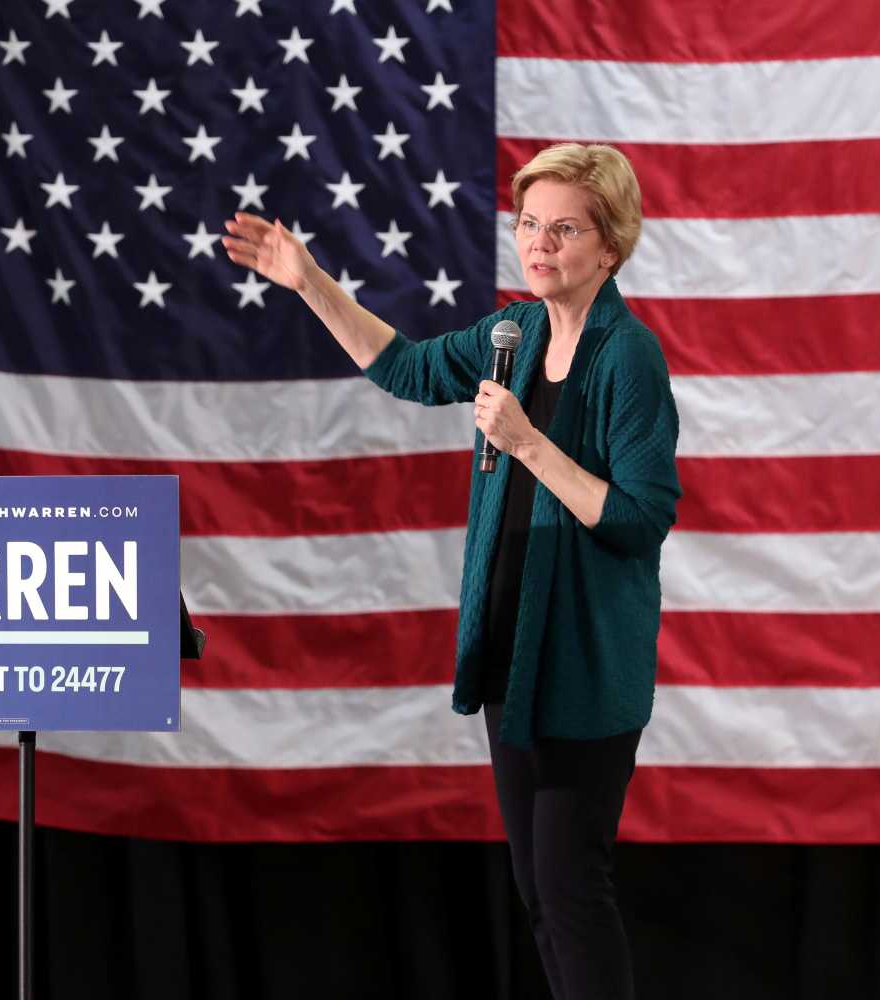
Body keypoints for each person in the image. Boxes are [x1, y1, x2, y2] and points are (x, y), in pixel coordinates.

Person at [223, 142, 681, 1000]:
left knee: (574, 891)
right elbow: (405, 367)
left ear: (611, 245)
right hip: (513, 655)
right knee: (541, 899)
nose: (539, 244)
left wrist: (525, 443)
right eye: (529, 225)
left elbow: (639, 519)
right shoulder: (515, 333)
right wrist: (309, 280)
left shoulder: (628, 357)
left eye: (565, 229)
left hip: (584, 670)